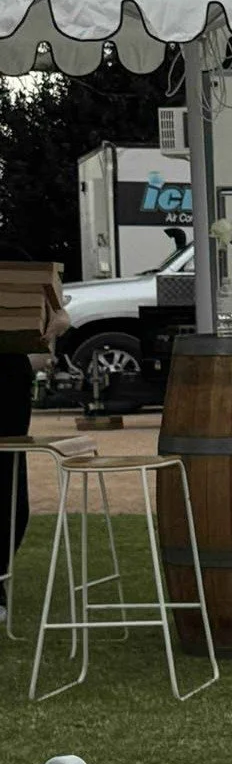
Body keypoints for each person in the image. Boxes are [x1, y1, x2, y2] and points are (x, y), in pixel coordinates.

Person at [0, 239, 70, 609]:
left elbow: (57, 309)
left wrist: (56, 320)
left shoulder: (10, 253)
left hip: (5, 379)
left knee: (6, 480)